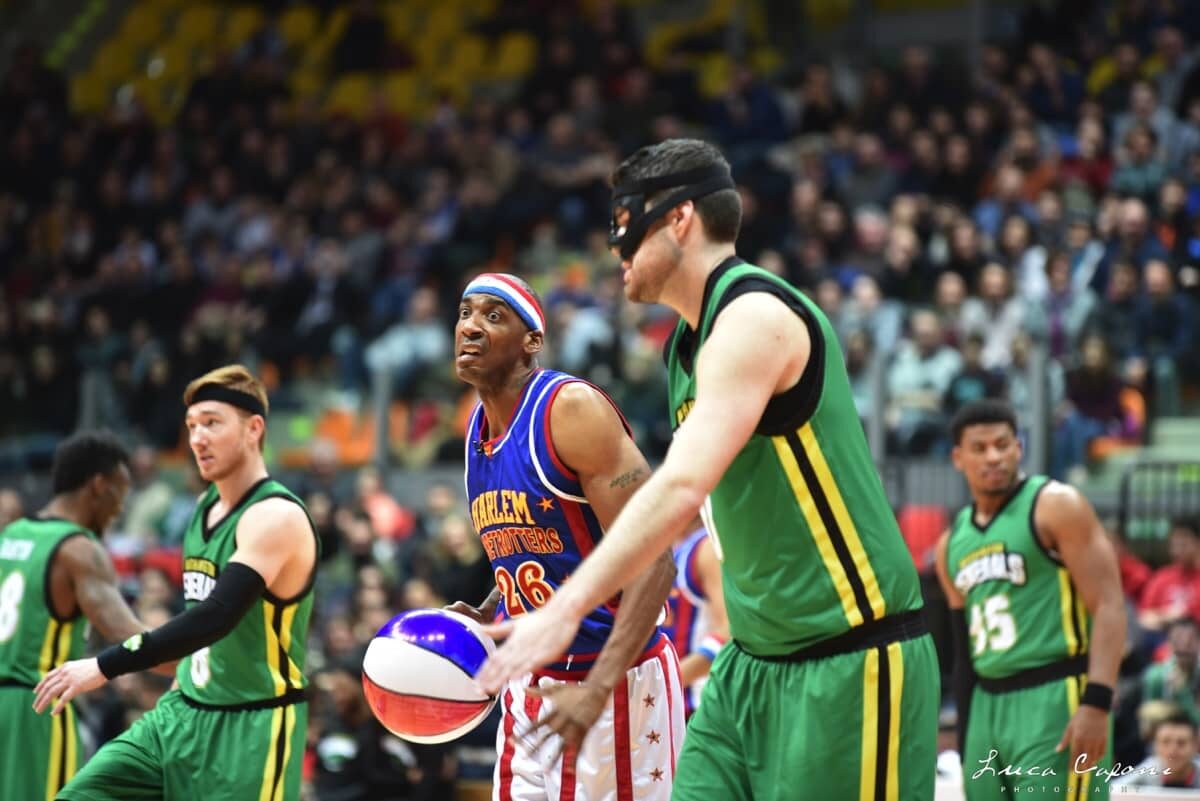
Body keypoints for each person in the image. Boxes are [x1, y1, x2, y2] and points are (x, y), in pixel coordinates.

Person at [476, 139, 939, 800]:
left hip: (847, 656)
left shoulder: (754, 318)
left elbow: (681, 485)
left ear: (679, 218)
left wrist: (567, 608)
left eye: (626, 225)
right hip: (748, 665)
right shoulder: (687, 346)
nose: (614, 246)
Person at [35, 365, 319, 801]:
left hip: (251, 728)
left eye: (212, 423)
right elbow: (197, 630)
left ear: (254, 429)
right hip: (179, 713)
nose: (197, 438)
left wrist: (103, 666)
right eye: (191, 426)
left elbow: (215, 617)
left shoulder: (275, 516)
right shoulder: (205, 505)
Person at [450, 272, 682, 800]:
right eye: (465, 313)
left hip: (615, 683)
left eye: (493, 316)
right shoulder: (476, 430)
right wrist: (492, 608)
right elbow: (542, 544)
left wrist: (598, 687)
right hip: (529, 684)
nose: (471, 328)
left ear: (532, 341)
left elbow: (656, 559)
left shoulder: (570, 409)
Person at [935, 400, 1126, 801]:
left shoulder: (1057, 505)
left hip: (1055, 695)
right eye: (980, 448)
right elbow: (962, 652)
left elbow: (1109, 605)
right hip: (986, 706)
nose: (994, 457)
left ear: (1019, 448)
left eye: (1003, 444)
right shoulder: (950, 544)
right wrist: (968, 735)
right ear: (958, 458)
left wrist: (1097, 702)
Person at [0, 432, 166, 800]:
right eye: (120, 493)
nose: (119, 509)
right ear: (99, 485)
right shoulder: (78, 549)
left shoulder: (11, 535)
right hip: (39, 708)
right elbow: (129, 635)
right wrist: (195, 656)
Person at [662, 526, 728, 716]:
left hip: (702, 705)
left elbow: (730, 632)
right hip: (670, 706)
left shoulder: (707, 547)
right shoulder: (668, 546)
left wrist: (665, 682)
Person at [1112, 710, 1200, 789]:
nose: (1172, 749)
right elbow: (1114, 789)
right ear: (1154, 745)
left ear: (1195, 746)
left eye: (1181, 743)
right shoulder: (1149, 770)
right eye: (1165, 742)